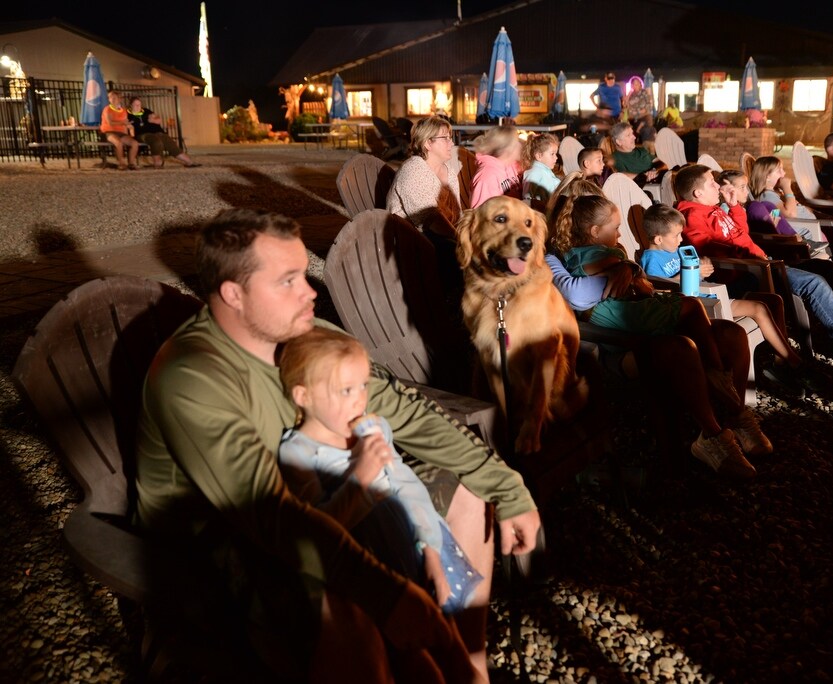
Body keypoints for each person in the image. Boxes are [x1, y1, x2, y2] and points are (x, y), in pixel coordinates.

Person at [135, 208, 541, 682]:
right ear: (233, 294)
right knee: (344, 605)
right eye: (288, 281)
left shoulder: (307, 337)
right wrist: (389, 597)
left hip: (323, 497)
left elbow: (403, 410)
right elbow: (271, 518)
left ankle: (468, 666)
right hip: (222, 545)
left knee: (469, 493)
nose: (310, 292)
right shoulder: (194, 377)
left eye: (304, 275)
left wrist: (507, 486)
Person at [550, 188, 772, 478]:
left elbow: (637, 280)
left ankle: (735, 415)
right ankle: (715, 432)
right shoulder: (556, 257)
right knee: (683, 336)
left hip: (639, 316)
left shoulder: (604, 252)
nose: (620, 234)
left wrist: (629, 267)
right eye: (616, 228)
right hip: (617, 340)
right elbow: (578, 295)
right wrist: (623, 266)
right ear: (592, 229)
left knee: (732, 333)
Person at [278, 329, 482, 615]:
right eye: (346, 390)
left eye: (363, 386)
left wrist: (430, 549)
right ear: (303, 395)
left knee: (447, 623)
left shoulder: (372, 429)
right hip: (370, 574)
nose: (359, 400)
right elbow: (320, 530)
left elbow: (407, 486)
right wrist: (360, 476)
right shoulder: (299, 453)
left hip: (416, 548)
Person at [674, 164, 833, 372]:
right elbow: (705, 248)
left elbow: (741, 234)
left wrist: (735, 207)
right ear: (697, 192)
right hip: (747, 274)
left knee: (826, 269)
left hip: (760, 263)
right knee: (813, 282)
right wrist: (755, 259)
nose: (718, 186)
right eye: (712, 183)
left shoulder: (714, 209)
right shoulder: (693, 215)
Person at [639, 204, 815, 393]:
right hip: (700, 307)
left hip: (709, 296)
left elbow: (692, 277)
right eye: (676, 236)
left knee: (772, 300)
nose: (681, 239)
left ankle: (781, 365)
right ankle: (796, 363)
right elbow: (661, 289)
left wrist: (701, 267)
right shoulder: (651, 259)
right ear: (658, 238)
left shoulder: (674, 251)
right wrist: (690, 272)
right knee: (759, 308)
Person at [386, 116, 461, 228]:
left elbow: (457, 214)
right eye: (445, 138)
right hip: (409, 238)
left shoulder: (449, 171)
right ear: (427, 143)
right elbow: (431, 223)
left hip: (441, 237)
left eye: (450, 138)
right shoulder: (414, 171)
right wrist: (462, 240)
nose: (452, 144)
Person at [126, 96, 199, 168]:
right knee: (155, 140)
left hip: (157, 131)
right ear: (131, 105)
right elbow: (126, 125)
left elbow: (158, 120)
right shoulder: (128, 114)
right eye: (136, 105)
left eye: (139, 105)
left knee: (168, 140)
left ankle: (188, 161)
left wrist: (152, 120)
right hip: (142, 134)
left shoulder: (146, 111)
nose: (138, 106)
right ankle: (158, 162)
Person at [470, 125, 522, 208]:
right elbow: (480, 214)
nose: (520, 145)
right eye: (516, 142)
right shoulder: (487, 177)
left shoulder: (510, 165)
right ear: (507, 150)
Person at [607, 122, 664, 186]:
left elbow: (662, 162)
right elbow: (621, 177)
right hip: (642, 189)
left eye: (632, 134)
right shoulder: (615, 159)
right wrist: (644, 176)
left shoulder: (641, 151)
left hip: (659, 183)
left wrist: (655, 170)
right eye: (628, 135)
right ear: (619, 142)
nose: (634, 137)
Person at [100, 90, 139, 171]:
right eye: (110, 98)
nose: (112, 99)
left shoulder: (123, 110)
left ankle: (131, 163)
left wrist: (129, 129)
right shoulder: (107, 109)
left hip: (121, 132)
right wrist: (123, 123)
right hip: (109, 132)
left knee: (134, 143)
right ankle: (121, 163)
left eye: (114, 98)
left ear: (119, 99)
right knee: (119, 143)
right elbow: (110, 123)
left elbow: (125, 123)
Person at [521, 132, 561, 207]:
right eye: (552, 154)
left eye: (556, 154)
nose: (556, 157)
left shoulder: (545, 170)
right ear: (539, 156)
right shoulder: (534, 173)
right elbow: (527, 199)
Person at [623, 76, 655, 143]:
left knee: (648, 125)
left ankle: (640, 132)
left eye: (637, 84)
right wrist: (628, 95)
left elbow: (649, 105)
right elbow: (625, 106)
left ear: (640, 84)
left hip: (644, 115)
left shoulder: (644, 93)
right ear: (632, 85)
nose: (636, 85)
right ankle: (639, 131)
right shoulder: (630, 95)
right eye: (634, 84)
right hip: (635, 117)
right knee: (649, 129)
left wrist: (641, 111)